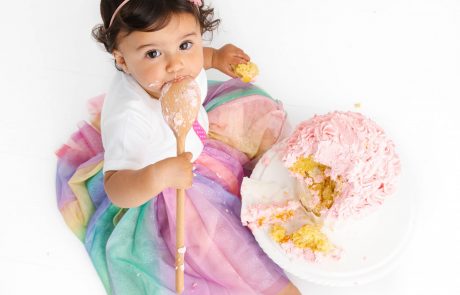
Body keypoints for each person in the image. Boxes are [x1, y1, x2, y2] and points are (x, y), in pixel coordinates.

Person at [56, 0, 300, 294]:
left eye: (186, 45)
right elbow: (117, 189)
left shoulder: (176, 69)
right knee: (218, 245)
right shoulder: (129, 120)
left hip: (199, 143)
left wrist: (216, 58)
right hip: (164, 185)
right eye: (153, 53)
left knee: (255, 110)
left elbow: (196, 60)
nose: (175, 65)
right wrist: (158, 175)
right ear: (122, 60)